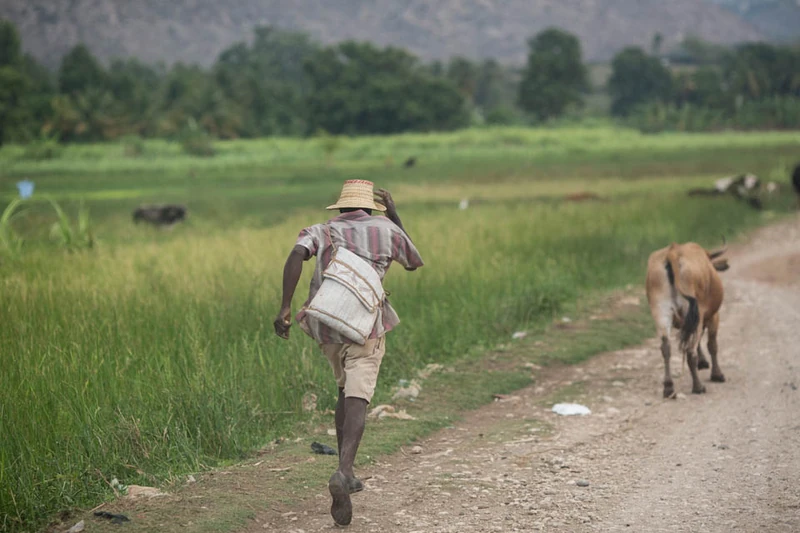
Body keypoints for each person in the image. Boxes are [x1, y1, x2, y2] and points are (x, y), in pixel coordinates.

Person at [274, 179, 424, 526]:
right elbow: (413, 262)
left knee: (344, 389)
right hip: (366, 326)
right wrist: (396, 216)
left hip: (327, 324)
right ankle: (343, 471)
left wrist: (284, 307)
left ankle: (348, 471)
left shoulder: (323, 230)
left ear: (340, 207)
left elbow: (296, 254)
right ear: (371, 208)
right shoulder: (386, 228)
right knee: (359, 393)